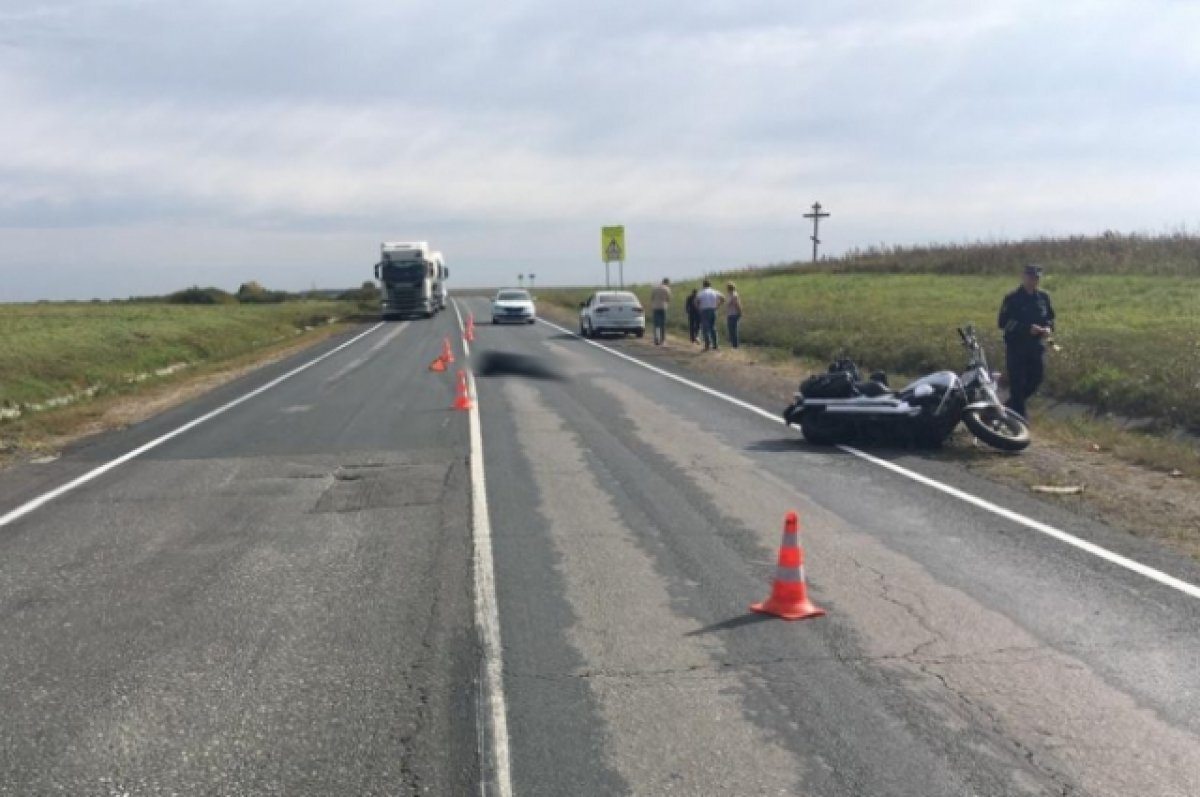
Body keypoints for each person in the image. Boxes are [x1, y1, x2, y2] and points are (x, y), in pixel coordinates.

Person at [997, 263, 1056, 420]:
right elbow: (1003, 323)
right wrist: (1026, 328)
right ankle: (1021, 420)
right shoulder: (1012, 298)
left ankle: (1006, 409)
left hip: (1036, 347)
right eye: (1030, 277)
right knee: (1016, 383)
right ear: (1023, 277)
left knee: (1035, 379)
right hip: (1016, 347)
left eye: (1036, 278)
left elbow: (1050, 318)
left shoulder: (1043, 297)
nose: (1033, 281)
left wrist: (1048, 328)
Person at [695, 279, 724, 350]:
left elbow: (696, 302)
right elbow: (723, 298)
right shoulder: (714, 291)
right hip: (713, 309)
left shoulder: (701, 293)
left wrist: (698, 309)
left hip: (704, 310)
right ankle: (715, 345)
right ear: (710, 285)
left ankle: (707, 345)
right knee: (713, 327)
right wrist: (718, 305)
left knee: (705, 328)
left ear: (703, 285)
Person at [649, 277, 672, 345]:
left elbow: (652, 298)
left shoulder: (655, 288)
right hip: (663, 307)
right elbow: (668, 298)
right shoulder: (667, 288)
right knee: (663, 324)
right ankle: (663, 340)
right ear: (667, 282)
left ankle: (656, 339)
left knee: (656, 325)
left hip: (655, 307)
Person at [725, 282, 743, 349]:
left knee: (734, 330)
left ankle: (736, 346)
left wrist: (740, 312)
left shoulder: (734, 295)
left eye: (727, 287)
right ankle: (734, 345)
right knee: (731, 330)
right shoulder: (730, 295)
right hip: (730, 314)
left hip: (734, 314)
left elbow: (737, 304)